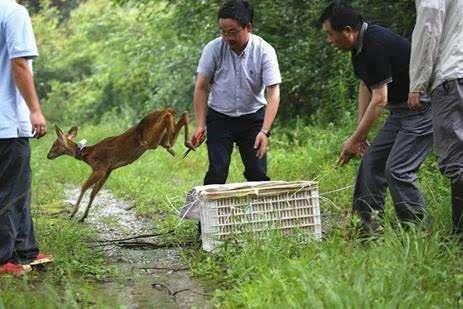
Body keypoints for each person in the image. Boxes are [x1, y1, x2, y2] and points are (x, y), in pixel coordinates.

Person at [319, 2, 433, 233]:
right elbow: (366, 85)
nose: (329, 41)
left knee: (398, 170)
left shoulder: (375, 44)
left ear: (348, 30)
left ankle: (418, 232)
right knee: (371, 163)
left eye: (330, 34)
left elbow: (379, 99)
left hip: (421, 110)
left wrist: (354, 139)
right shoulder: (359, 48)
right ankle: (369, 229)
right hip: (400, 111)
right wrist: (360, 135)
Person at [191, 0, 281, 185]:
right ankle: (211, 212)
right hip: (219, 117)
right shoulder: (213, 49)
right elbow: (201, 87)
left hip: (253, 118)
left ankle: (259, 212)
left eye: (232, 32)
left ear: (248, 27)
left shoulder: (265, 51)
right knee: (217, 171)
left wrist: (265, 131)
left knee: (257, 173)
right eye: (223, 32)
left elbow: (273, 92)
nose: (227, 37)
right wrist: (200, 125)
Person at [0, 0, 52, 276]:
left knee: (18, 187)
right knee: (9, 190)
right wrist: (35, 110)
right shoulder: (13, 12)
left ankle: (25, 250)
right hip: (6, 122)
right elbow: (19, 63)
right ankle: (4, 259)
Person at [408, 0, 463, 235]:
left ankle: (459, 238)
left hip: (453, 76)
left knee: (457, 161)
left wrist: (417, 83)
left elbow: (429, 26)